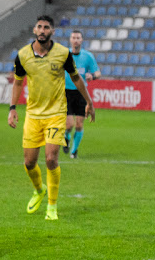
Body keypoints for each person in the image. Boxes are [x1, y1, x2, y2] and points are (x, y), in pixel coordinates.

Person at [8, 15, 95, 221]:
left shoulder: (63, 54)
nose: (42, 30)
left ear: (52, 31)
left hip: (56, 114)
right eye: (39, 26)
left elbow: (76, 78)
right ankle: (39, 190)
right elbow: (18, 82)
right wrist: (12, 108)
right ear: (34, 30)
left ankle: (52, 206)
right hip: (33, 115)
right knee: (29, 163)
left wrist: (89, 102)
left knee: (50, 158)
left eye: (46, 27)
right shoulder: (22, 55)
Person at [64, 30, 101, 158]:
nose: (75, 40)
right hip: (66, 92)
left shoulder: (88, 56)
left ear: (82, 40)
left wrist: (93, 76)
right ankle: (66, 136)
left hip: (81, 93)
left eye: (78, 38)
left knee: (79, 124)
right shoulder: (64, 55)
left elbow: (98, 73)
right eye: (73, 37)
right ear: (70, 40)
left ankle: (74, 151)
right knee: (69, 124)